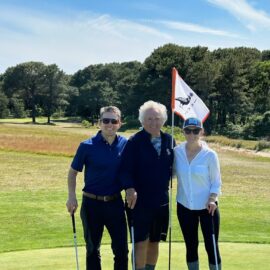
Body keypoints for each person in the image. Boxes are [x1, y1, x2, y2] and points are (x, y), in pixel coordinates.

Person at [66, 106, 128, 270]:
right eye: (105, 120)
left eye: (113, 121)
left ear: (119, 123)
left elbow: (132, 171)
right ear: (99, 123)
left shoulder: (126, 144)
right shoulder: (87, 146)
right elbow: (72, 173)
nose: (109, 124)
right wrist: (71, 196)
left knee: (121, 249)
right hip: (91, 204)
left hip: (115, 203)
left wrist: (131, 189)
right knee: (93, 249)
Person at [120, 100, 174, 270]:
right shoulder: (134, 141)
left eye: (157, 118)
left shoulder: (169, 140)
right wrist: (129, 188)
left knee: (155, 241)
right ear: (142, 121)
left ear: (163, 120)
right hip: (138, 201)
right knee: (140, 241)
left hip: (161, 201)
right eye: (149, 119)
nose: (153, 122)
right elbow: (124, 170)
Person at [174, 117, 222, 270]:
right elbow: (170, 174)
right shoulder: (177, 152)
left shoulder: (210, 155)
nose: (192, 134)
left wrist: (213, 199)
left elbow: (216, 181)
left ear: (202, 132)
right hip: (184, 206)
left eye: (195, 131)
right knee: (191, 244)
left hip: (208, 207)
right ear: (183, 131)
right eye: (188, 130)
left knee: (211, 245)